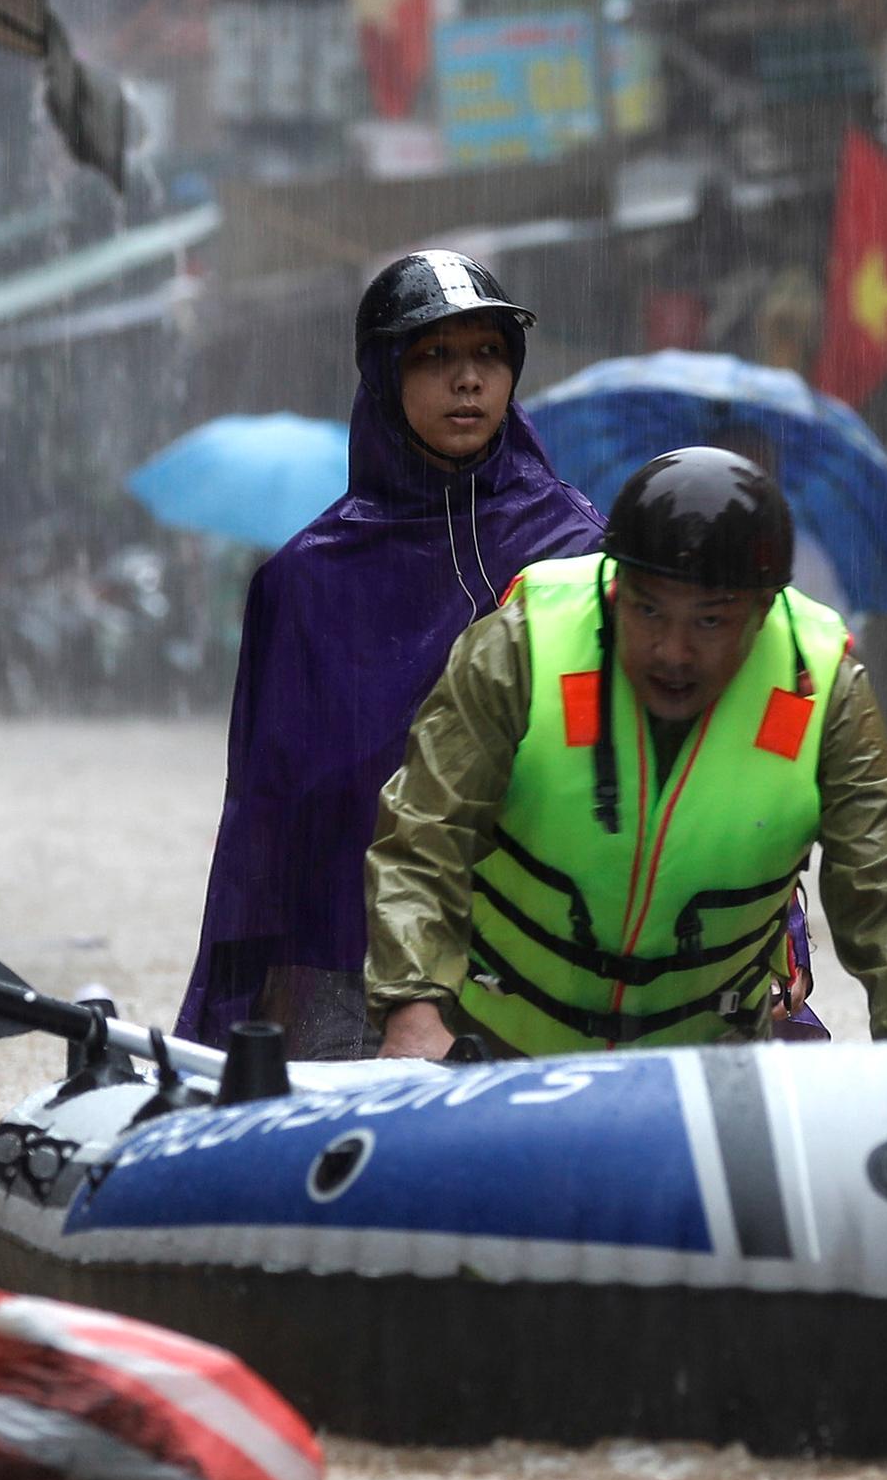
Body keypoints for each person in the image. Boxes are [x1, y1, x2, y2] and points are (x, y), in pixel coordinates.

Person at [363, 447, 887, 1056]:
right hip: (496, 1047)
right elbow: (424, 834)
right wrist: (412, 1012)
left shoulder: (825, 689)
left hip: (702, 1067)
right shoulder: (518, 647)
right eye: (648, 609)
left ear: (763, 610)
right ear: (615, 588)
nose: (673, 651)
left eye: (710, 621)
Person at [173, 250, 606, 1057]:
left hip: (532, 936)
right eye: (433, 357)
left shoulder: (575, 550)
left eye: (486, 354)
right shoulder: (305, 582)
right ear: (383, 375)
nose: (467, 380)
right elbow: (269, 815)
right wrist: (265, 991)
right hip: (346, 951)